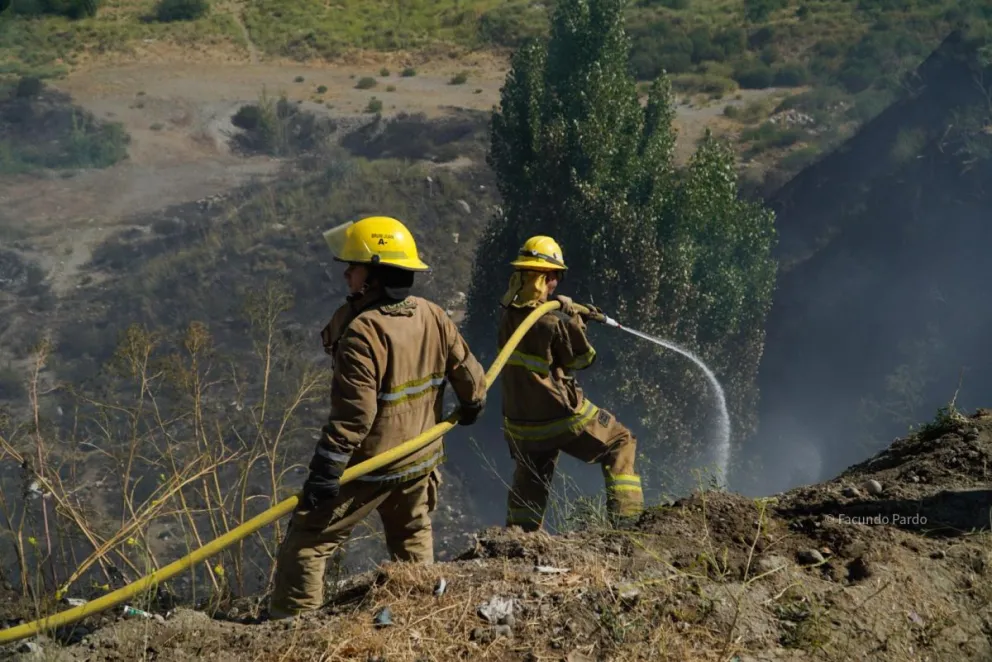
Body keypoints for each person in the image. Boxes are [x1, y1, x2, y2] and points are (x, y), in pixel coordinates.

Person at [269, 215, 487, 618]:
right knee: (412, 534)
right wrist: (472, 405)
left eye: (353, 267)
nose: (347, 275)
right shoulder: (434, 315)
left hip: (372, 467)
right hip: (419, 460)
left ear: (374, 276)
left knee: (308, 541)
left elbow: (355, 417)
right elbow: (472, 380)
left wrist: (326, 470)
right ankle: (421, 614)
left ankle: (293, 627)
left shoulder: (362, 333)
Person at [498, 236, 644, 532]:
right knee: (620, 441)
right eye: (556, 276)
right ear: (546, 277)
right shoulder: (553, 321)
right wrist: (574, 321)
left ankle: (517, 538)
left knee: (532, 475)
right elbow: (583, 359)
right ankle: (628, 525)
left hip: (521, 422)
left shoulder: (508, 315)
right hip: (560, 415)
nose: (556, 284)